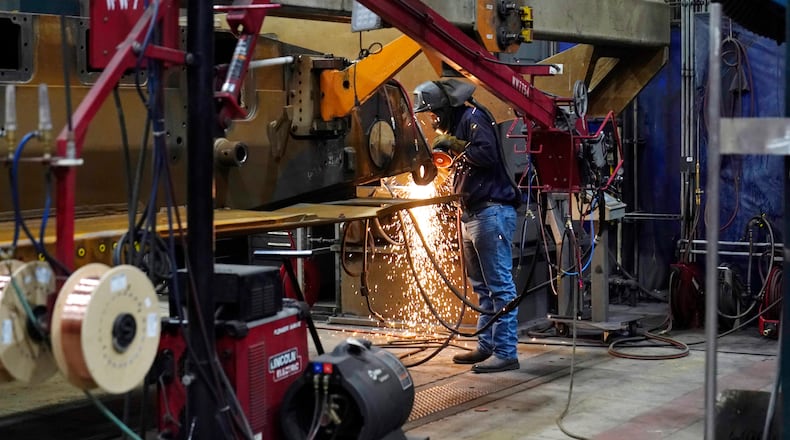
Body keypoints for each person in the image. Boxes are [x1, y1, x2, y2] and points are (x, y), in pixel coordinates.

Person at [413, 79, 522, 373]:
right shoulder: (458, 124)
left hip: (491, 212)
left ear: (446, 107)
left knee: (500, 287)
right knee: (482, 288)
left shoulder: (474, 118)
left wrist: (457, 146)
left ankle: (507, 352)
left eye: (434, 114)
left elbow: (486, 154)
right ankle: (486, 346)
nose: (433, 119)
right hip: (472, 214)